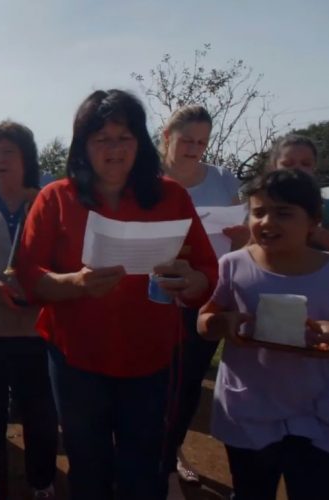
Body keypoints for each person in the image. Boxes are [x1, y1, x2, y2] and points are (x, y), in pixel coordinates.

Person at [15, 89, 218, 499]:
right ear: (82, 146)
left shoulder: (171, 197)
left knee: (143, 469)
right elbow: (27, 275)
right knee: (88, 465)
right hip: (76, 362)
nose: (113, 149)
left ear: (139, 143)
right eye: (100, 139)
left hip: (151, 361)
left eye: (123, 137)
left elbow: (207, 272)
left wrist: (191, 281)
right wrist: (76, 284)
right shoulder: (55, 198)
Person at [197, 168, 329, 500]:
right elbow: (205, 321)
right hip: (249, 411)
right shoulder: (233, 265)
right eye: (258, 212)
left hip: (316, 415)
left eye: (283, 213)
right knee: (251, 491)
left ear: (314, 221)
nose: (267, 222)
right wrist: (224, 322)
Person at [158, 105, 246, 498]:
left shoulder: (225, 180)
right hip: (154, 297)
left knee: (189, 381)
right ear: (167, 139)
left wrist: (243, 236)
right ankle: (152, 460)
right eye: (186, 141)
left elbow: (245, 234)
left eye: (201, 142)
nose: (194, 149)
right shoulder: (148, 181)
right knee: (152, 381)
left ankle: (170, 453)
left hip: (206, 296)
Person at [0, 121, 58, 499]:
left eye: (9, 151)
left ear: (26, 158)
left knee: (40, 414)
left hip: (38, 328)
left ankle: (42, 481)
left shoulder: (48, 201)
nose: (0, 159)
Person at [268, 133, 329, 250]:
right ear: (274, 167)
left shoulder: (327, 208)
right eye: (288, 164)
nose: (297, 169)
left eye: (305, 164)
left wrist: (321, 236)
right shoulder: (259, 211)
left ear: (314, 167)